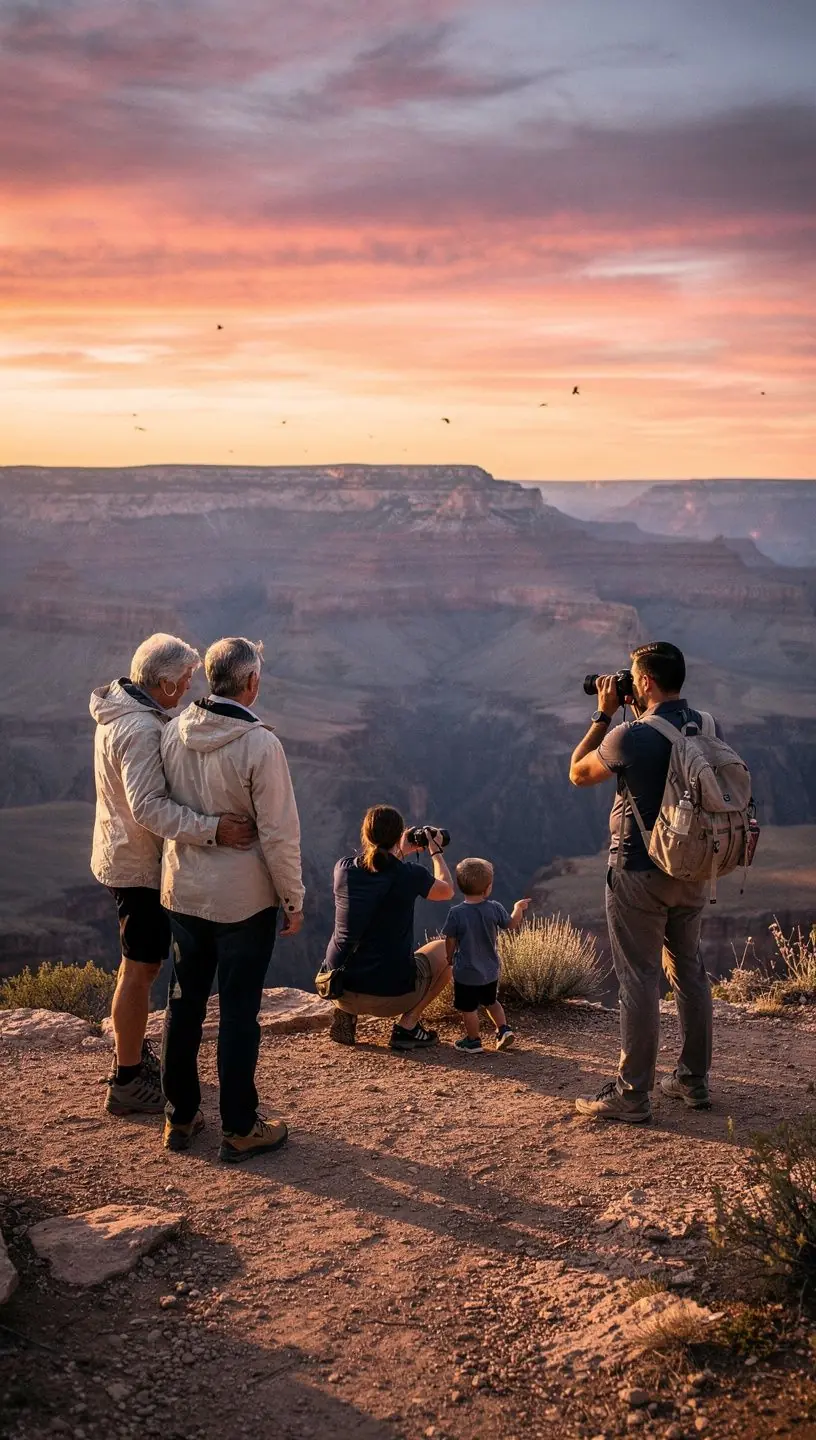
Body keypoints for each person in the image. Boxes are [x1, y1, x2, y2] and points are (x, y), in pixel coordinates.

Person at [90, 633, 256, 1118]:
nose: (187, 689)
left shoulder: (123, 713)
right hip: (138, 865)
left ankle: (132, 1057)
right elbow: (148, 808)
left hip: (123, 854)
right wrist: (213, 830)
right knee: (140, 969)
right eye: (183, 682)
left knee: (138, 965)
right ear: (161, 684)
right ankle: (127, 1078)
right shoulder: (140, 730)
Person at [159, 636, 305, 1162]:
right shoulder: (259, 744)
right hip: (243, 904)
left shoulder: (173, 731)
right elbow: (279, 833)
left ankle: (179, 1116)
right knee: (239, 1013)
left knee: (184, 1004)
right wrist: (293, 899)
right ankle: (240, 1127)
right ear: (251, 683)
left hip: (182, 892)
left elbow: (158, 808)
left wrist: (205, 832)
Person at [568, 641, 716, 1123]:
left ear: (645, 682)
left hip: (638, 872)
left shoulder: (628, 736)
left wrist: (602, 714)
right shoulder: (706, 725)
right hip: (693, 867)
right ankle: (692, 1081)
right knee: (689, 972)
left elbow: (577, 773)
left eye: (632, 678)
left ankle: (632, 1095)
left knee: (639, 980)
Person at [323, 805, 455, 1050]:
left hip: (337, 986)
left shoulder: (343, 868)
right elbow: (447, 890)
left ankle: (346, 1013)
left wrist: (398, 851)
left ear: (366, 835)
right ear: (397, 836)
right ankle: (408, 1026)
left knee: (353, 938)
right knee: (446, 950)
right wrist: (435, 852)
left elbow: (377, 873)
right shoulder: (409, 875)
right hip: (392, 996)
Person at [442, 858, 530, 1054]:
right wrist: (518, 908)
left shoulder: (456, 913)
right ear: (488, 888)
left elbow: (450, 939)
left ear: (459, 885)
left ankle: (473, 1041)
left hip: (466, 972)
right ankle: (503, 1029)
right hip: (490, 970)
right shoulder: (495, 908)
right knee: (491, 1002)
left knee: (469, 1008)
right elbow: (511, 924)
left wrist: (449, 957)